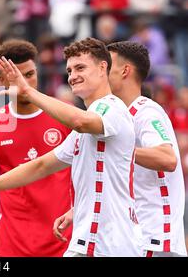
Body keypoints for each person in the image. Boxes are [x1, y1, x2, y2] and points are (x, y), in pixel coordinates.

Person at [0, 38, 142, 257]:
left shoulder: (110, 108)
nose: (73, 76)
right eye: (69, 70)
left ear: (102, 68)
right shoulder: (82, 127)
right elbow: (41, 165)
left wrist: (28, 92)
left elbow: (80, 122)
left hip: (113, 242)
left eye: (80, 68)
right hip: (82, 239)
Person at [54, 41, 187, 257]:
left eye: (108, 66)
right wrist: (75, 211)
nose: (102, 70)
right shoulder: (113, 115)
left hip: (154, 236)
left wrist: (121, 151)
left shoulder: (146, 111)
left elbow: (168, 158)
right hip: (133, 237)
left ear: (125, 71)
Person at [0, 39, 73, 257]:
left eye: (29, 74)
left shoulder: (66, 116)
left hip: (64, 242)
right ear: (1, 81)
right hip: (12, 245)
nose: (25, 82)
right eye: (16, 76)